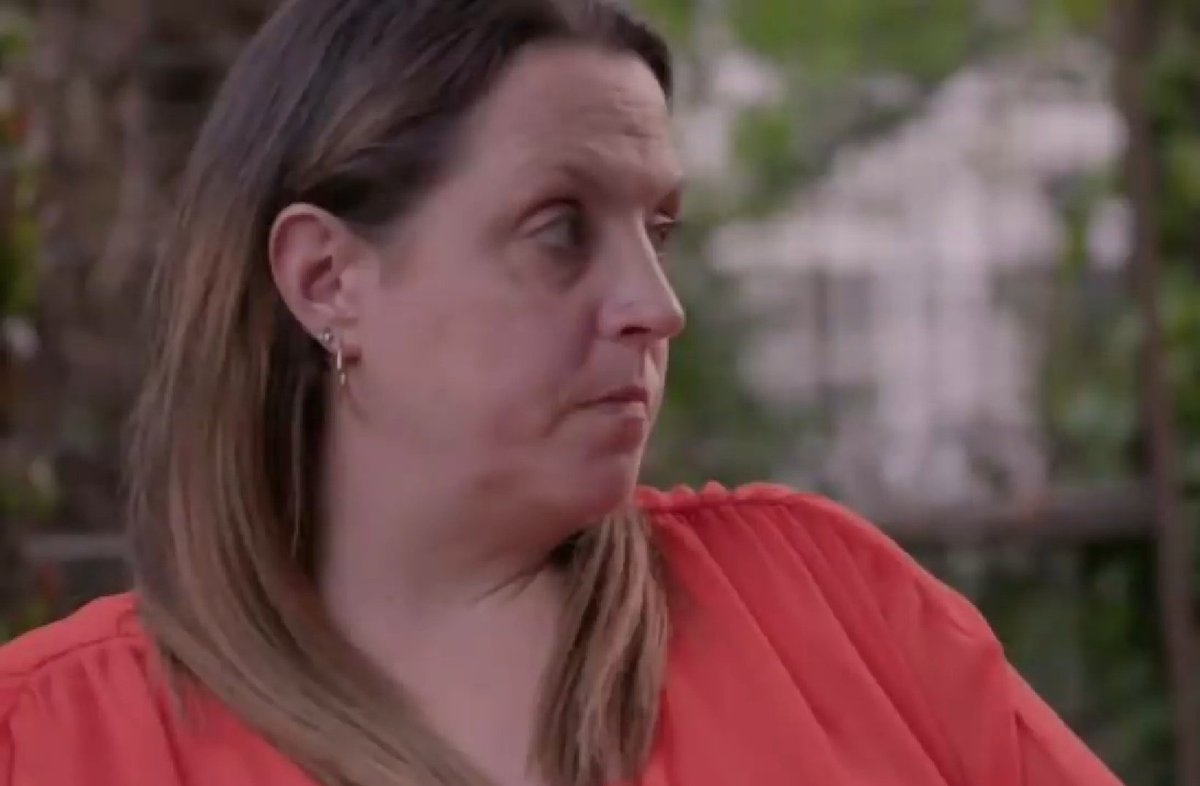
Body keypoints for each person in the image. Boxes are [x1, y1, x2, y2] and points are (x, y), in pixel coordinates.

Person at [0, 1, 1126, 785]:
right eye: (558, 230)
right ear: (326, 279)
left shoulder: (830, 610)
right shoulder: (51, 739)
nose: (655, 306)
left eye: (659, 229)